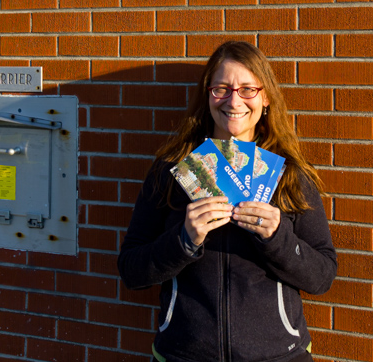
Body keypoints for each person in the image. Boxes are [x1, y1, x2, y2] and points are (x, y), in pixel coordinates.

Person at [117, 41, 337, 362]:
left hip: (277, 357)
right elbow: (131, 271)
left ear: (265, 99)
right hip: (183, 355)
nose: (234, 100)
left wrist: (277, 239)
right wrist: (184, 240)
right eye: (222, 88)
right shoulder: (172, 170)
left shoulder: (288, 175)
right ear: (207, 96)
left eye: (248, 89)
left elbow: (322, 277)